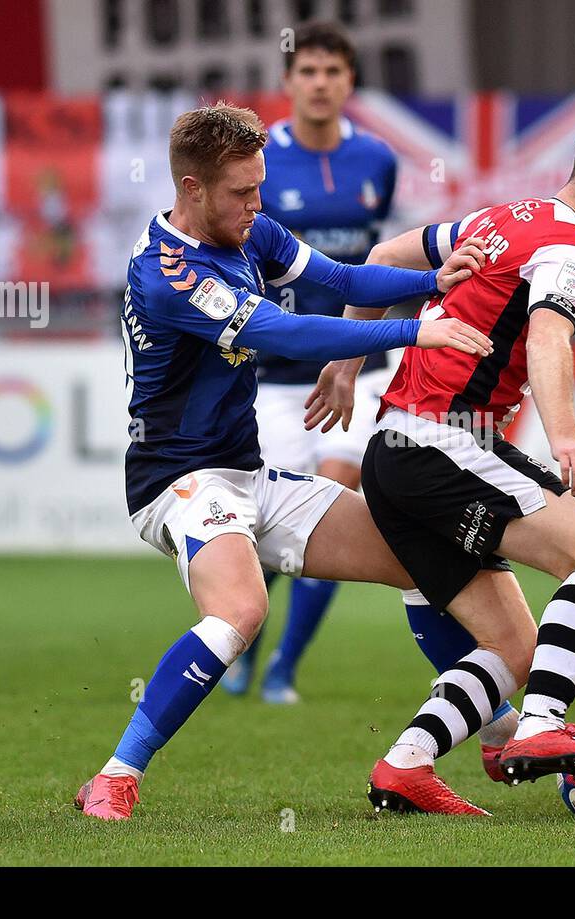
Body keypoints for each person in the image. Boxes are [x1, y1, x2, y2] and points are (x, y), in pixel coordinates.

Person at [73, 102, 493, 820]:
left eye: (259, 187)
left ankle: (496, 735)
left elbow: (341, 281)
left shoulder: (249, 230)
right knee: (242, 609)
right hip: (180, 481)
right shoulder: (169, 276)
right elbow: (287, 332)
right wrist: (419, 332)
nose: (256, 204)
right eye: (241, 192)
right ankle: (115, 777)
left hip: (249, 474)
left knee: (422, 554)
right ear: (191, 187)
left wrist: (434, 281)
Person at [304, 109, 575, 814]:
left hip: (394, 454)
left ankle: (405, 765)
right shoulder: (572, 249)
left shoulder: (502, 217)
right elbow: (548, 343)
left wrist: (348, 367)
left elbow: (383, 259)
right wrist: (565, 436)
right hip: (442, 438)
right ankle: (538, 727)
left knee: (514, 644)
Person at [223, 22, 403, 705]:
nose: (321, 83)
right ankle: (244, 648)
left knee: (332, 501)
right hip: (275, 376)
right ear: (290, 82)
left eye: (334, 71)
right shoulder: (262, 159)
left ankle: (283, 669)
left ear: (349, 82)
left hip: (356, 366)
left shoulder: (379, 161)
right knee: (267, 522)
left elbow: (377, 260)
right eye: (309, 72)